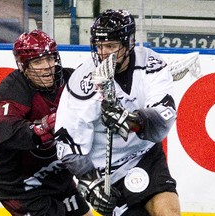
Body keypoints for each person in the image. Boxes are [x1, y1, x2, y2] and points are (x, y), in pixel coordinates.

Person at [55, 9, 181, 216]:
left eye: (111, 46)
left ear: (128, 43)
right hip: (108, 173)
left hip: (145, 156)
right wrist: (90, 182)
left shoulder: (150, 64)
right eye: (99, 46)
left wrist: (131, 120)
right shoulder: (83, 83)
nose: (103, 53)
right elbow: (67, 144)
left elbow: (162, 122)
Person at [0, 29, 93, 216]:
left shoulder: (71, 81)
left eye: (50, 58)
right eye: (37, 62)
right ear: (24, 66)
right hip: (20, 186)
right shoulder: (11, 90)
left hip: (58, 177)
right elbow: (6, 134)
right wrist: (45, 126)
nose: (47, 66)